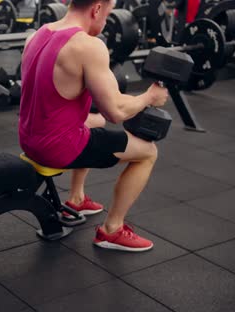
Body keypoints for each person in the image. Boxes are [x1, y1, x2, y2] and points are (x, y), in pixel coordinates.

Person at [19, 0, 168, 252]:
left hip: (29, 136)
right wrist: (149, 98)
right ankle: (112, 230)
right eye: (108, 14)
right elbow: (116, 112)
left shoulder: (37, 34)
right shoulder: (88, 46)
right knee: (148, 152)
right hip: (56, 147)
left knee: (94, 120)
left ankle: (76, 198)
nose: (106, 21)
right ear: (97, 9)